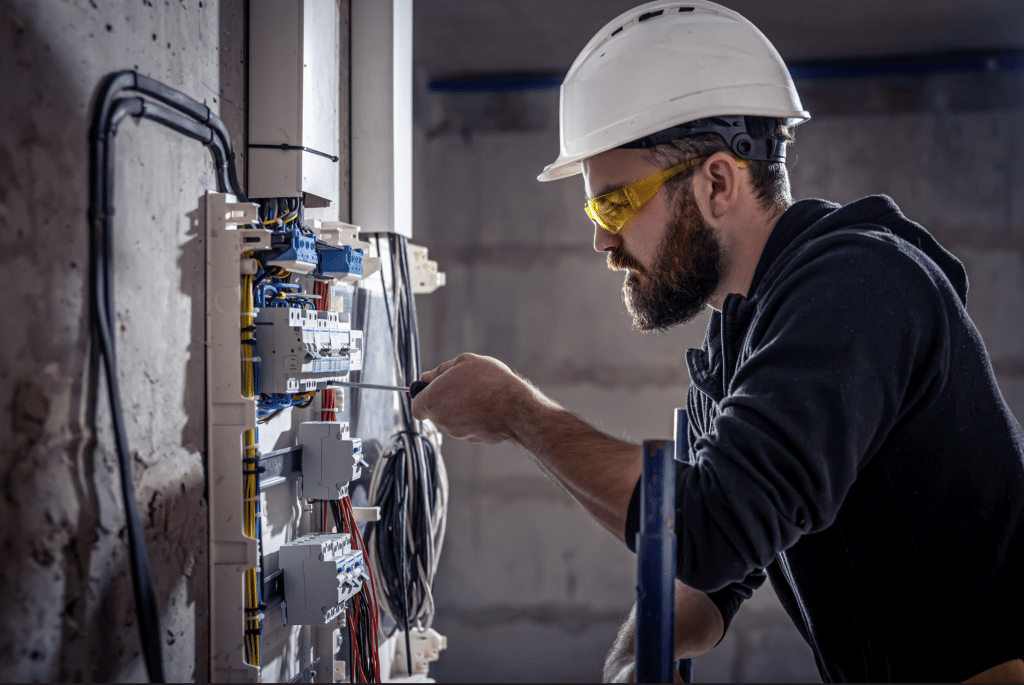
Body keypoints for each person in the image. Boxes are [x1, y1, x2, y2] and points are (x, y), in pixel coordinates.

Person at [410, 1, 1024, 681]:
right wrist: (641, 653)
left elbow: (707, 527)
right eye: (595, 209)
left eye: (615, 204)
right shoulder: (745, 341)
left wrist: (518, 412)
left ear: (718, 181)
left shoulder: (856, 288)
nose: (601, 240)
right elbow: (712, 570)